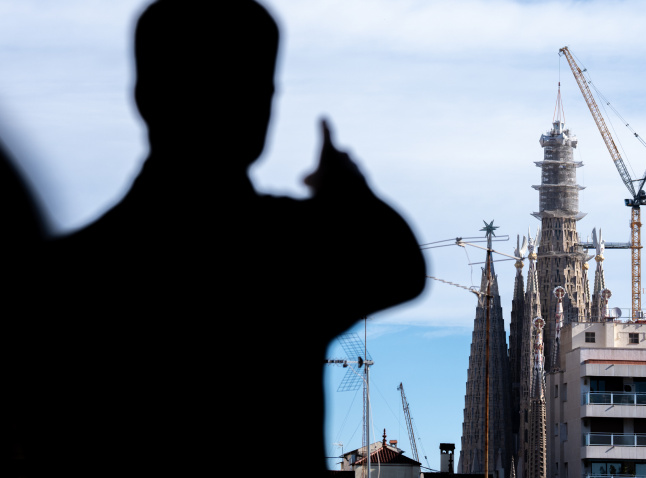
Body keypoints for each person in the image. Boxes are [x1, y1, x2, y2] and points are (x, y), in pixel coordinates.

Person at [10, 1, 426, 475]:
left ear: (143, 96)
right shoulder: (290, 248)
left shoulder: (64, 273)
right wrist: (348, 192)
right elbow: (402, 267)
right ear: (262, 108)